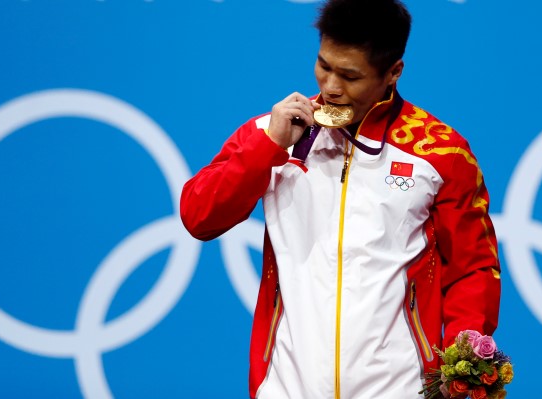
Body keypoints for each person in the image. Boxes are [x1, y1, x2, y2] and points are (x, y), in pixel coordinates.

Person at [180, 0, 501, 397]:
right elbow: (198, 217)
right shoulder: (272, 132)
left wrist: (463, 360)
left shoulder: (440, 153)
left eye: (350, 76)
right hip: (285, 387)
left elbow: (474, 267)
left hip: (401, 388)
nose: (330, 87)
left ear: (393, 72)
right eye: (324, 66)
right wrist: (268, 148)